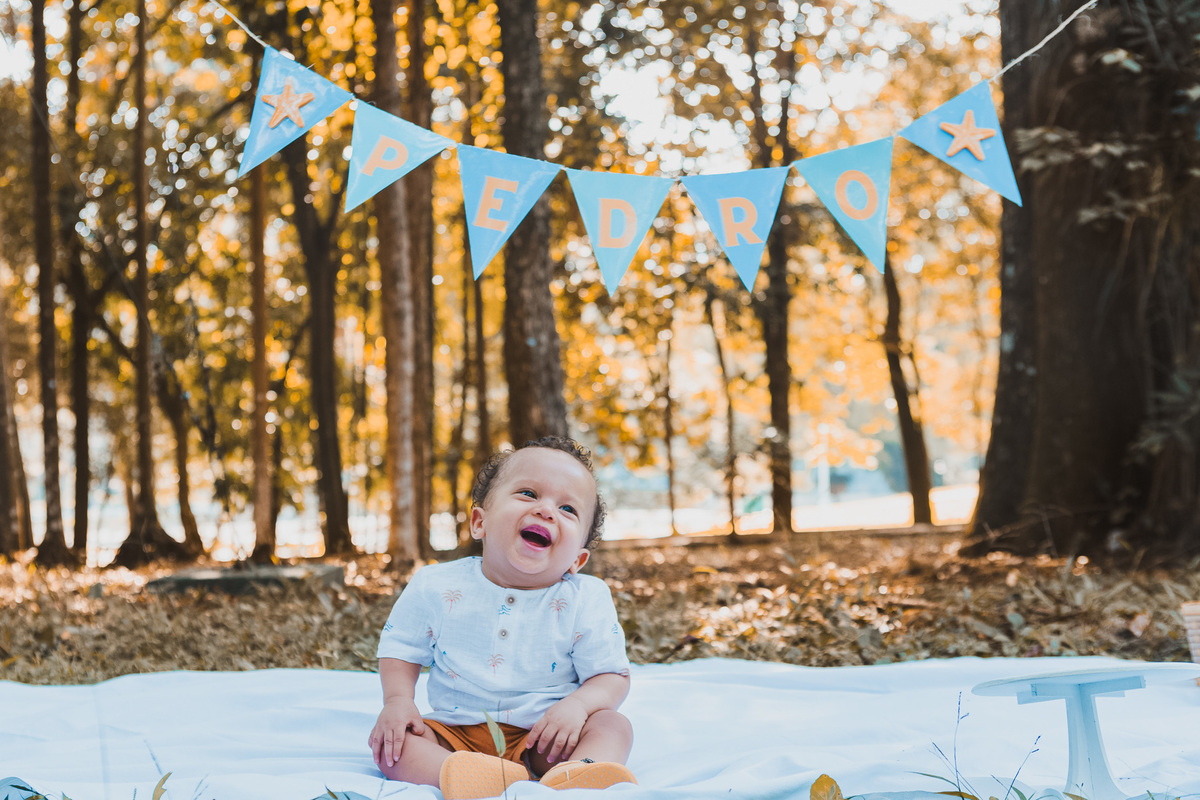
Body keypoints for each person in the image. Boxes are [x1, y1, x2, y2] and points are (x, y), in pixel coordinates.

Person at [368, 436, 636, 799]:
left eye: (568, 509)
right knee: (393, 746)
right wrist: (398, 702)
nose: (546, 510)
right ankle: (464, 774)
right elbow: (401, 648)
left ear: (578, 560)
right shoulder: (437, 585)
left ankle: (581, 772)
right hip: (454, 733)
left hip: (546, 735)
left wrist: (577, 706)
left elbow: (610, 675)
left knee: (612, 724)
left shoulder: (585, 597)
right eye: (528, 493)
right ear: (480, 522)